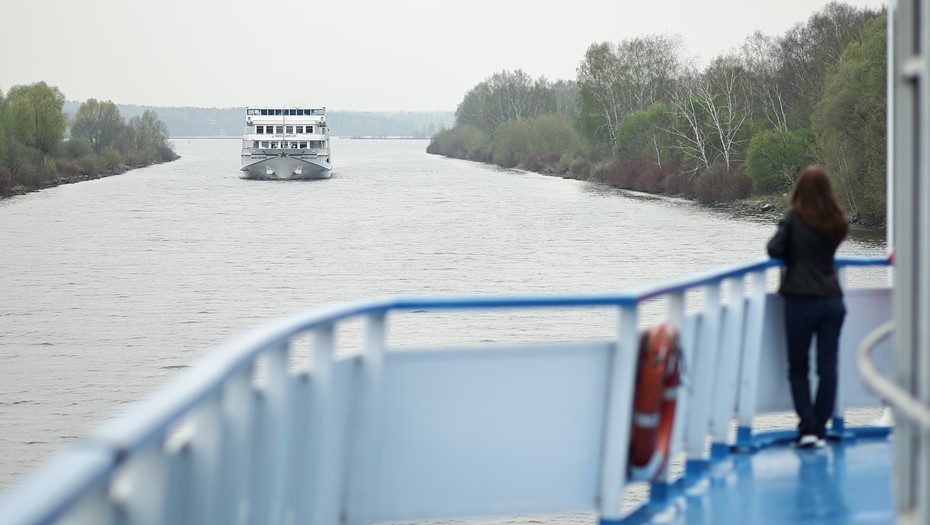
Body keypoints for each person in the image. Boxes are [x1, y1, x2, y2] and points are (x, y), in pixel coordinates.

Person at [766, 165, 848, 449]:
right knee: (828, 368)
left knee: (799, 367)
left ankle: (808, 427)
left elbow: (774, 249)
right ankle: (820, 428)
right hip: (832, 301)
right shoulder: (835, 221)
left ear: (800, 190)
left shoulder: (794, 217)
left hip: (801, 300)